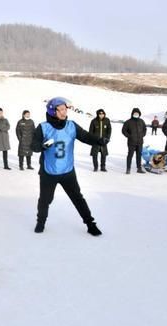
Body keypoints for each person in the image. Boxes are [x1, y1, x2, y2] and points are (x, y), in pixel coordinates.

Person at [31, 97, 108, 236]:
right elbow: (33, 146)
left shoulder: (71, 125)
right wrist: (42, 146)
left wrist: (99, 141)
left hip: (68, 171)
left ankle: (91, 224)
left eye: (65, 109)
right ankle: (40, 222)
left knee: (78, 198)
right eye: (60, 109)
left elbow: (85, 136)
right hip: (48, 172)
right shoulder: (43, 127)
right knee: (45, 200)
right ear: (52, 111)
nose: (64, 112)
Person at [122, 108, 147, 174]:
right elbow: (124, 130)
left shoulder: (141, 121)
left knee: (139, 155)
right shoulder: (128, 122)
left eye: (137, 113)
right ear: (132, 114)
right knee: (130, 155)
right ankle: (128, 169)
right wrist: (129, 136)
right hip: (131, 142)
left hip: (140, 142)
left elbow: (145, 129)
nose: (136, 114)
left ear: (139, 114)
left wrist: (142, 135)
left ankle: (139, 168)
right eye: (135, 113)